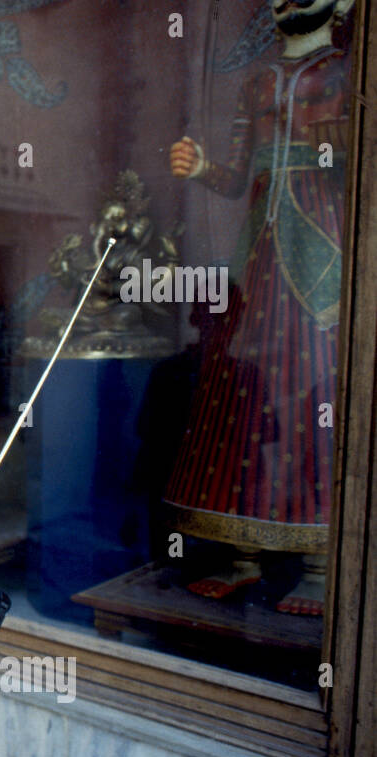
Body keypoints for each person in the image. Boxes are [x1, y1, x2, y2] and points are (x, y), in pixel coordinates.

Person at [164, 0, 352, 615]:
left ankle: (320, 567)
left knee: (314, 390)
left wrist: (333, 150)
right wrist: (200, 169)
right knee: (246, 392)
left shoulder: (347, 69)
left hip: (318, 241)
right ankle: (245, 556)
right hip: (260, 250)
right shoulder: (258, 80)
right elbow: (238, 175)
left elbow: (352, 164)